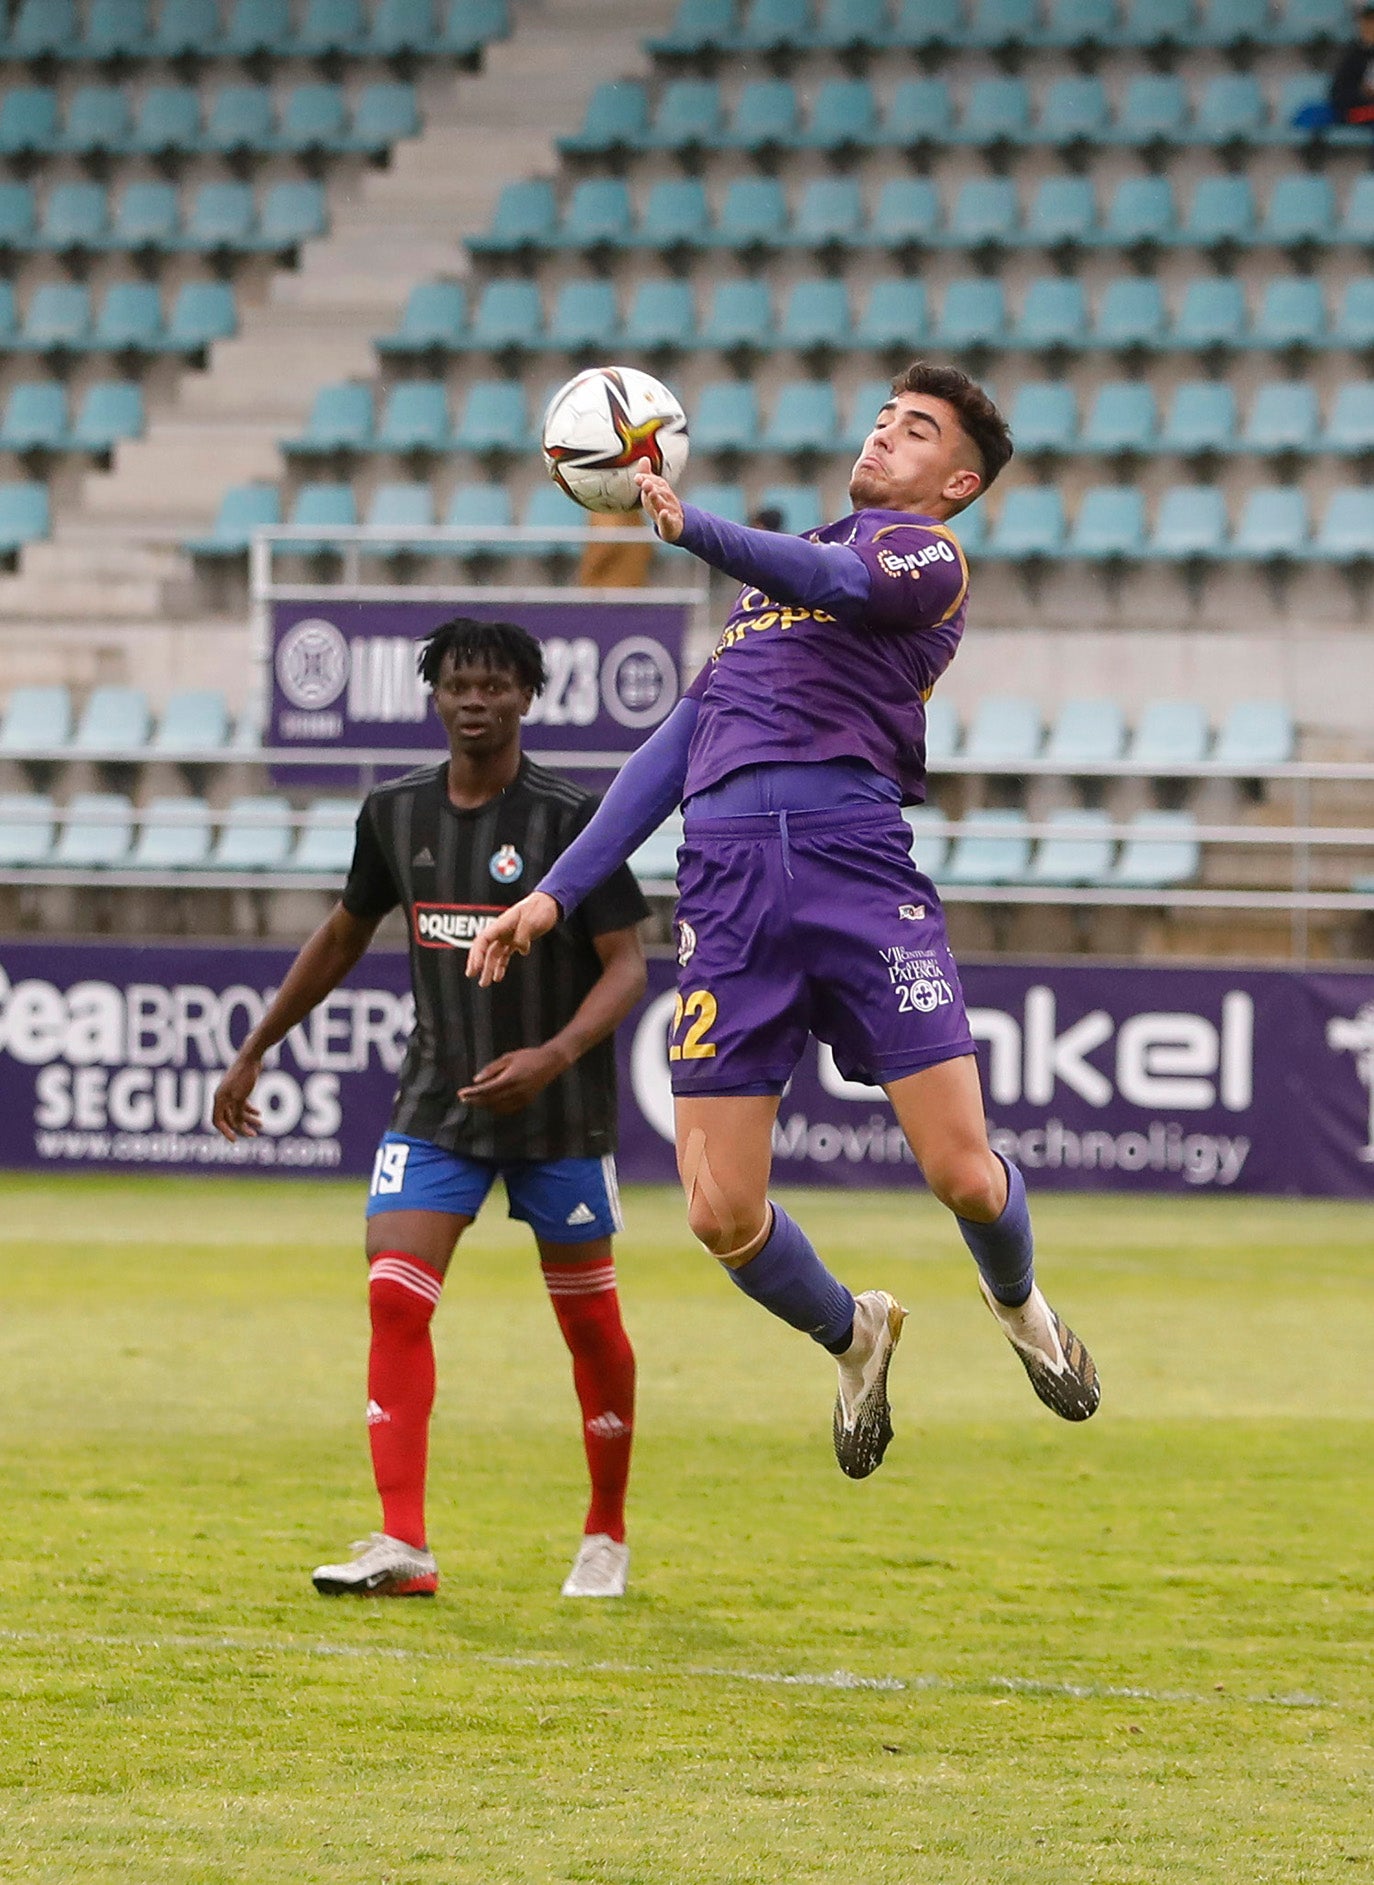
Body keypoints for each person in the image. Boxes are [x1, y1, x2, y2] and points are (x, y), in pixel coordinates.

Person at [469, 362, 1100, 1482]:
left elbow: (833, 576)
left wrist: (691, 525)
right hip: (725, 885)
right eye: (881, 419)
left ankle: (1025, 1312)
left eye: (913, 432)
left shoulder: (923, 559)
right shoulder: (765, 594)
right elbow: (671, 750)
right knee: (719, 1212)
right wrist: (553, 893)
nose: (882, 437)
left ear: (955, 481)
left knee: (961, 1172)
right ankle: (856, 1336)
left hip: (857, 872)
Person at [212, 617, 650, 1599]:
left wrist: (555, 1053)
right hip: (438, 1101)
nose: (476, 701)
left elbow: (628, 966)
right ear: (434, 696)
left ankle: (605, 1532)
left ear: (528, 697)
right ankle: (402, 1542)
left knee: (588, 1326)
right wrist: (255, 1046)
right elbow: (338, 935)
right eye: (459, 685)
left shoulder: (573, 819)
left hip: (558, 1108)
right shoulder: (393, 812)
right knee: (391, 1293)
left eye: (495, 685)